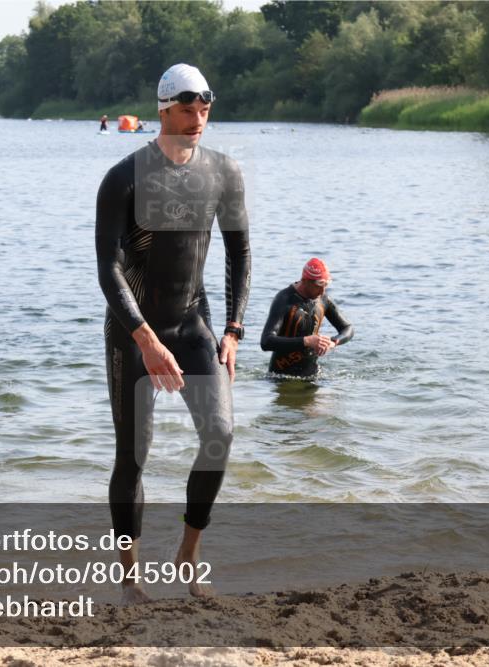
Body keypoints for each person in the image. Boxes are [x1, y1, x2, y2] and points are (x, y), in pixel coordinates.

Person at [96, 63, 250, 604]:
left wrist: (232, 330)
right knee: (133, 456)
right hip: (132, 332)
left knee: (221, 436)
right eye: (187, 109)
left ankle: (188, 557)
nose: (198, 118)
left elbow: (239, 253)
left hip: (192, 323)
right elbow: (109, 270)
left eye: (204, 108)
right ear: (164, 110)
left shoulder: (224, 172)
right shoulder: (125, 177)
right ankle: (131, 578)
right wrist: (144, 337)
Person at [260, 258, 353, 378]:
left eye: (326, 285)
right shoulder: (284, 299)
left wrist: (333, 342)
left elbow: (347, 328)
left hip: (313, 376)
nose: (323, 290)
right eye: (319, 285)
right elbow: (266, 341)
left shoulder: (323, 299)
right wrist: (307, 341)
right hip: (281, 377)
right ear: (305, 281)